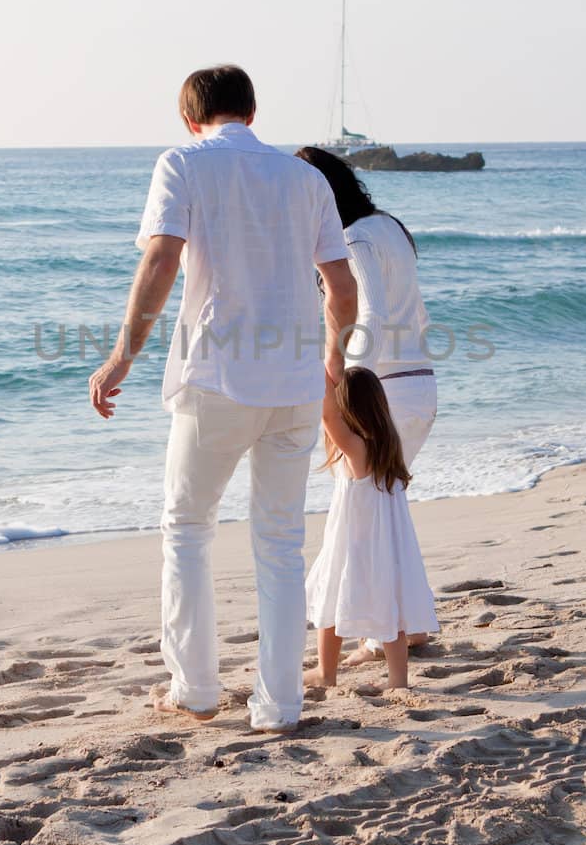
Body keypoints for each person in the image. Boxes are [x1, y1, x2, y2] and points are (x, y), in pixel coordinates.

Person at [89, 65, 358, 734]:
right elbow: (342, 285)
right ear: (253, 110)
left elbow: (159, 262)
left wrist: (124, 353)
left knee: (187, 528)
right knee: (280, 542)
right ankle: (281, 705)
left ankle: (197, 688)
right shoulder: (307, 179)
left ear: (190, 119)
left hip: (217, 379)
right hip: (295, 384)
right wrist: (333, 353)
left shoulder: (183, 163)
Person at [296, 146, 438, 665]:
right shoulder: (389, 226)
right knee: (383, 513)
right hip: (419, 383)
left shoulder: (353, 238)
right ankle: (403, 627)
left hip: (384, 390)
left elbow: (372, 313)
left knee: (358, 519)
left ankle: (381, 633)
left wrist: (344, 375)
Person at [303, 367, 439, 691]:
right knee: (391, 612)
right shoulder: (389, 446)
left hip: (352, 544)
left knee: (330, 598)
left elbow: (327, 415)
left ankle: (326, 672)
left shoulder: (355, 449)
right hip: (387, 547)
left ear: (348, 409)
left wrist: (313, 356)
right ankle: (398, 680)